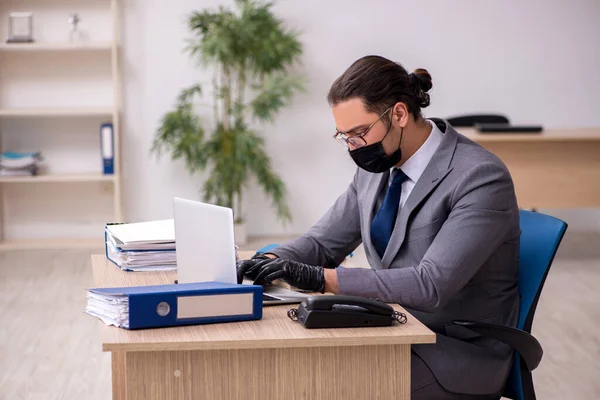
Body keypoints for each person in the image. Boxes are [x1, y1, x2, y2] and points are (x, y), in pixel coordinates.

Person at [237, 55, 520, 399]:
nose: (354, 147)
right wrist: (264, 262)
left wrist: (319, 278)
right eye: (344, 136)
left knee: (312, 384)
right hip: (390, 329)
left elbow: (430, 284)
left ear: (399, 114)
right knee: (284, 366)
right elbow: (323, 243)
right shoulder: (377, 169)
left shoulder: (479, 176)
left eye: (358, 133)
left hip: (452, 355)